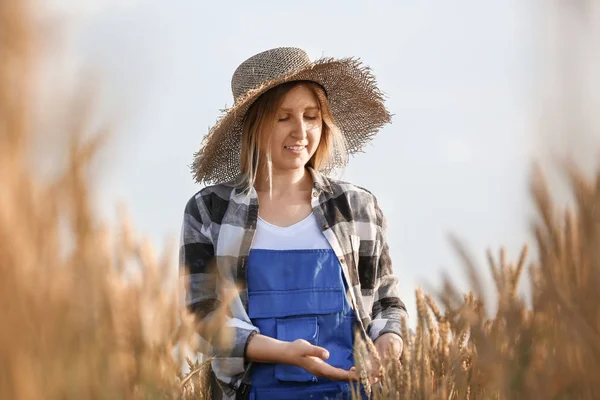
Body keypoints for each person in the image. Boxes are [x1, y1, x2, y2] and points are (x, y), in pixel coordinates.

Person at [179, 47, 408, 400]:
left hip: (350, 391)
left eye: (311, 116)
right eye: (283, 117)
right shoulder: (209, 210)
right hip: (249, 392)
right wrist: (282, 352)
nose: (301, 131)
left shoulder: (356, 207)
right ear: (253, 125)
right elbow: (202, 313)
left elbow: (386, 300)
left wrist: (389, 340)